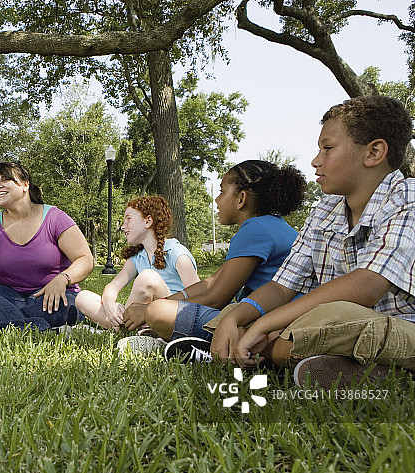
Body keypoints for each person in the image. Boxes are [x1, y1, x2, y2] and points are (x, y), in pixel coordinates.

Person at [174, 95, 415, 389]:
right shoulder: (326, 209)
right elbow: (282, 285)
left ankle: (383, 372)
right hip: (324, 325)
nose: (316, 161)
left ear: (374, 152)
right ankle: (355, 371)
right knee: (245, 320)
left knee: (327, 317)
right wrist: (235, 317)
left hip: (396, 327)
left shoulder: (407, 199)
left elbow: (366, 285)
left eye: (327, 149)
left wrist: (264, 324)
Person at [116, 160, 306, 357]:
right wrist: (164, 301)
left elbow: (217, 298)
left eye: (222, 191)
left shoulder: (254, 230)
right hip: (275, 317)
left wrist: (148, 311)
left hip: (274, 322)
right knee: (159, 308)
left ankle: (206, 346)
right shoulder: (273, 225)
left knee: (158, 313)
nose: (216, 200)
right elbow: (211, 282)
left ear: (241, 199)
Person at [0, 162, 94, 331]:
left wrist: (62, 279)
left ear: (25, 185)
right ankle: (35, 327)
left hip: (51, 296)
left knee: (66, 305)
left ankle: (8, 323)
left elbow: (85, 260)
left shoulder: (55, 218)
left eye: (5, 179)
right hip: (7, 296)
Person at [74, 196, 199, 330]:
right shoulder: (138, 258)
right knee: (82, 297)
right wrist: (110, 306)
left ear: (148, 221)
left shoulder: (177, 252)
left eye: (129, 219)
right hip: (141, 316)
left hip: (173, 316)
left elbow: (199, 295)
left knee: (147, 278)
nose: (123, 226)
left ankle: (120, 330)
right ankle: (129, 329)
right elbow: (112, 288)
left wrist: (155, 308)